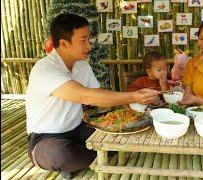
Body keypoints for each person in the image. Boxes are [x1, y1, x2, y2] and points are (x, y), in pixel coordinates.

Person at [25, 13, 158, 179]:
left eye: (89, 39)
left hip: (79, 128)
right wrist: (134, 97)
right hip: (45, 138)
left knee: (116, 140)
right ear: (64, 44)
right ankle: (77, 159)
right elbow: (86, 96)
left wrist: (128, 112)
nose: (89, 45)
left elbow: (99, 94)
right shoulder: (44, 69)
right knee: (62, 154)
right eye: (83, 40)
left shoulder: (82, 65)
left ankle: (82, 160)